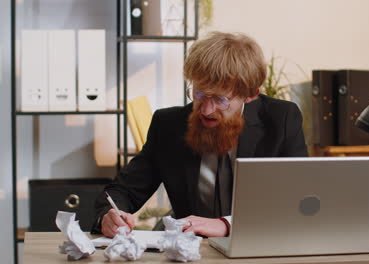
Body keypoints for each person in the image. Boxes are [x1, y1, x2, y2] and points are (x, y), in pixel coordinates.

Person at [93, 31, 308, 238]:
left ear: (250, 95)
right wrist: (109, 216)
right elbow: (122, 191)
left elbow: (299, 200)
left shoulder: (281, 120)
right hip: (190, 250)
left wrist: (226, 225)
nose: (205, 110)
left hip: (257, 247)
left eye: (220, 100)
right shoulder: (169, 125)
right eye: (199, 94)